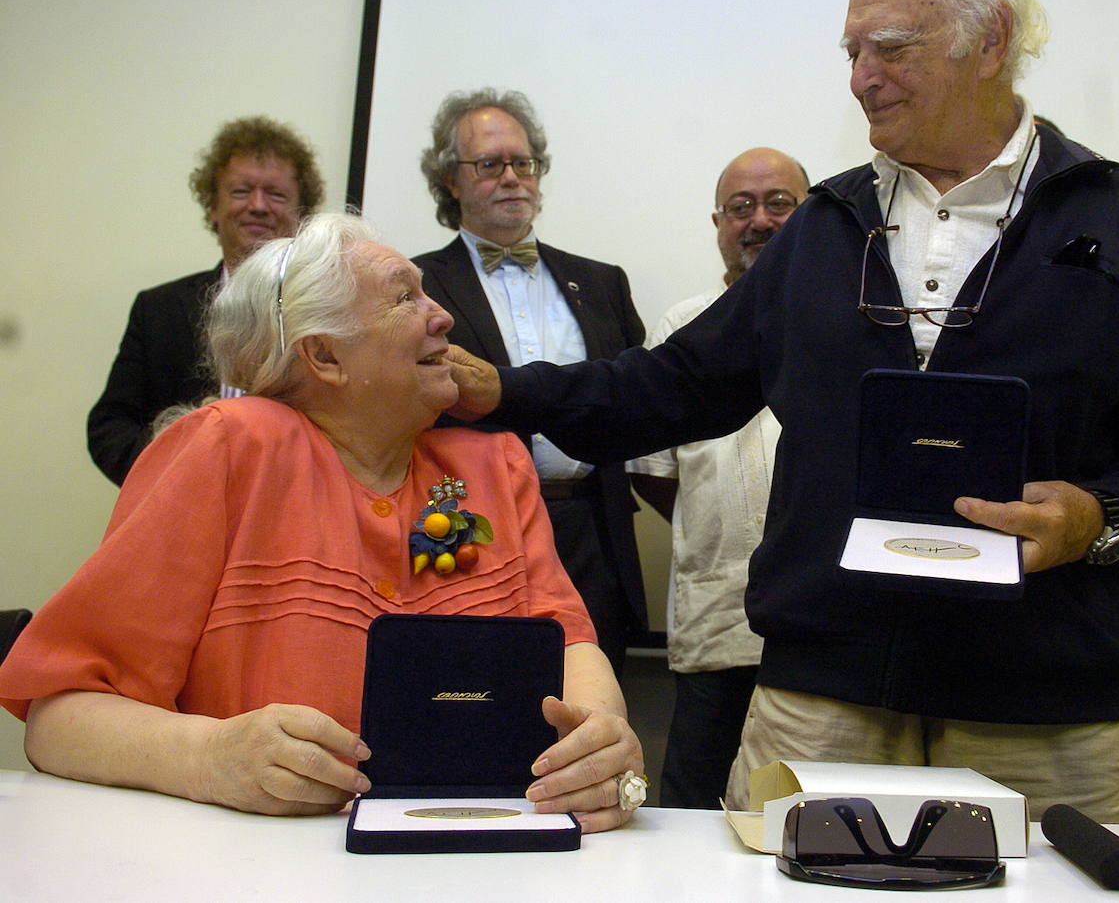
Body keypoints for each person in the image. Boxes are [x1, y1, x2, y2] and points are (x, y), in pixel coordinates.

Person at [440, 0, 1119, 823]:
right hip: (822, 700)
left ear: (991, 43)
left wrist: (1099, 520)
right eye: (853, 51)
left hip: (1044, 712)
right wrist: (504, 393)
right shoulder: (825, 228)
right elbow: (669, 387)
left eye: (890, 48)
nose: (861, 76)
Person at [2, 214, 644, 831]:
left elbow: (570, 648)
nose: (444, 315)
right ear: (325, 357)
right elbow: (60, 718)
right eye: (404, 300)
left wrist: (600, 748)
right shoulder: (230, 448)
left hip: (489, 858)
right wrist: (209, 757)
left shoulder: (494, 464)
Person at [414, 89, 647, 677]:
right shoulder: (415, 285)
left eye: (525, 163)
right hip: (472, 527)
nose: (513, 177)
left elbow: (632, 402)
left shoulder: (602, 284)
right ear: (451, 181)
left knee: (592, 704)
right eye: (490, 165)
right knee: (478, 695)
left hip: (590, 531)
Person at [627, 147, 808, 809]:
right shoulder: (681, 325)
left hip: (814, 628)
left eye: (780, 203)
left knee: (801, 813)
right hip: (716, 619)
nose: (759, 220)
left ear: (810, 214)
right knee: (694, 807)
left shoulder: (848, 320)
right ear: (718, 223)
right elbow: (654, 473)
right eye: (741, 208)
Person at [87, 116, 325, 485]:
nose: (258, 206)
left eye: (276, 194)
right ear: (213, 207)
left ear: (302, 215)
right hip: (180, 513)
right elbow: (110, 426)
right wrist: (172, 475)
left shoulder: (328, 309)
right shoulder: (158, 309)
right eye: (241, 191)